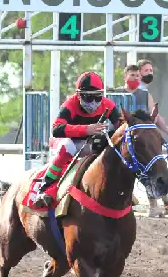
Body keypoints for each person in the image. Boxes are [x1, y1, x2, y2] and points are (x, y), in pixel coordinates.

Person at [28, 71, 123, 210]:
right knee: (67, 147)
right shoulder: (70, 104)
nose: (94, 103)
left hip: (88, 143)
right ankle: (45, 187)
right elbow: (56, 129)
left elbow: (120, 127)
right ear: (78, 95)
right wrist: (86, 129)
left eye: (97, 97)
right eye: (88, 98)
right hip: (65, 141)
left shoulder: (108, 105)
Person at [133, 60, 168, 217]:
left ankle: (163, 204)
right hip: (135, 136)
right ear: (139, 72)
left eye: (151, 70)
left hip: (147, 134)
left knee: (157, 167)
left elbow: (156, 115)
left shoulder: (145, 93)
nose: (150, 73)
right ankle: (158, 205)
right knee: (149, 168)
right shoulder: (131, 91)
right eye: (146, 70)